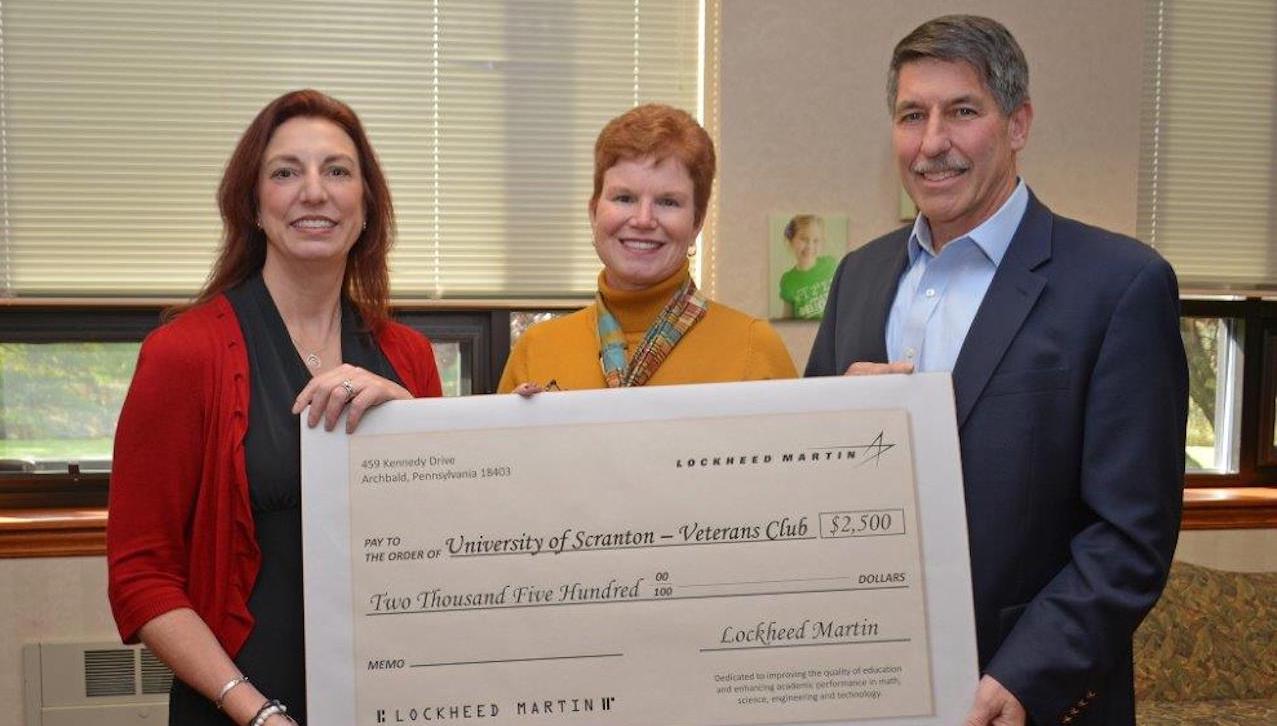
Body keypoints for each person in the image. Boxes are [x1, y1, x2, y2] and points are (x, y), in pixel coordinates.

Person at [805, 16, 1187, 726]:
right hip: (865, 684)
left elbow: (1131, 532)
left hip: (1023, 697)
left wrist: (1025, 673)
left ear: (1017, 124)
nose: (931, 143)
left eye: (962, 112)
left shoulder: (1117, 284)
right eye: (911, 115)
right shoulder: (858, 277)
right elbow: (809, 481)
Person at [106, 89, 443, 725]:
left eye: (337, 171)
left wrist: (412, 422)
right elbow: (140, 576)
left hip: (386, 703)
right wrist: (255, 712)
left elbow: (440, 544)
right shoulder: (183, 354)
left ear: (365, 206)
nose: (313, 192)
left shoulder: (411, 357)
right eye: (285, 172)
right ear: (254, 206)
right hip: (238, 707)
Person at [498, 103, 796, 393]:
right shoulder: (536, 351)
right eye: (624, 198)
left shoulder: (754, 349)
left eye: (668, 202)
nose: (643, 220)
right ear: (593, 212)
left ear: (696, 223)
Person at [778, 213, 837, 319]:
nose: (810, 246)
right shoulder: (787, 280)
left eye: (816, 240)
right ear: (791, 241)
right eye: (804, 239)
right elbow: (787, 317)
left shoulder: (831, 264)